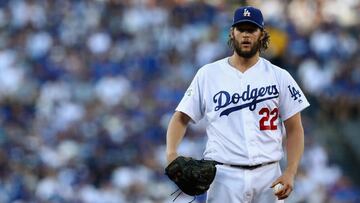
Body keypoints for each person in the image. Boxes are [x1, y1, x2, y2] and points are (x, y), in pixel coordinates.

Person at [166, 5, 310, 203]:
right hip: (224, 176)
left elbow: (295, 129)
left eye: (251, 30)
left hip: (270, 174)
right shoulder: (208, 74)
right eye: (241, 29)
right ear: (232, 32)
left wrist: (291, 172)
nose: (246, 35)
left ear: (262, 35)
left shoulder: (279, 76)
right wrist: (171, 153)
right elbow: (181, 117)